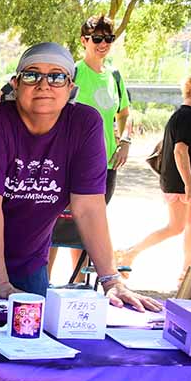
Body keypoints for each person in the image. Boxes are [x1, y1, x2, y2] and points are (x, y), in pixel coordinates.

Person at [0, 43, 159, 311]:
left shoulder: (85, 124)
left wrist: (110, 280)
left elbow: (88, 207)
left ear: (71, 87)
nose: (44, 84)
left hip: (26, 259)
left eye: (57, 76)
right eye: (31, 75)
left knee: (32, 334)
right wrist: (0, 285)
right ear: (15, 84)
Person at [49, 15, 132, 277]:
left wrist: (125, 140)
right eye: (97, 38)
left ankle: (79, 285)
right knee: (56, 226)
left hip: (106, 165)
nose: (103, 44)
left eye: (108, 38)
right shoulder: (73, 73)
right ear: (84, 41)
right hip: (71, 164)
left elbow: (125, 113)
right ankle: (43, 283)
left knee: (89, 228)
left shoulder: (115, 76)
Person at [116, 71, 191, 275]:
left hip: (190, 183)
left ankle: (187, 271)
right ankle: (130, 253)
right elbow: (180, 151)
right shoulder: (186, 116)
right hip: (181, 183)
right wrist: (189, 186)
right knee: (176, 227)